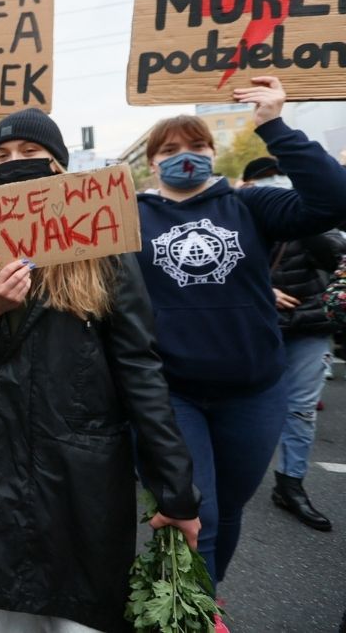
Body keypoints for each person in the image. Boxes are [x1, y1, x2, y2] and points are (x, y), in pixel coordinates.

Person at [0, 108, 201, 632]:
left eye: (30, 154)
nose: (16, 164)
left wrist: (176, 488)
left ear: (59, 165)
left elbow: (139, 367)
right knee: (10, 617)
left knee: (82, 618)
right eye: (2, 158)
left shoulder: (101, 243)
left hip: (80, 477)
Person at [136, 77, 346, 596]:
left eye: (197, 146)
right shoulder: (128, 216)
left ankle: (207, 596)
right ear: (151, 162)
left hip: (254, 392)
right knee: (196, 507)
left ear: (214, 152)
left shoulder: (250, 205)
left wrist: (273, 124)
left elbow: (333, 200)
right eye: (170, 149)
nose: (186, 156)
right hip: (173, 392)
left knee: (227, 507)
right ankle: (192, 614)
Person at [240, 156, 343, 532]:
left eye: (279, 178)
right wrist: (262, 291)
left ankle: (290, 484)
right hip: (255, 329)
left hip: (309, 326)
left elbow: (337, 253)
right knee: (245, 407)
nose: (274, 185)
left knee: (301, 410)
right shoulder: (237, 218)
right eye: (265, 180)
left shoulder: (310, 221)